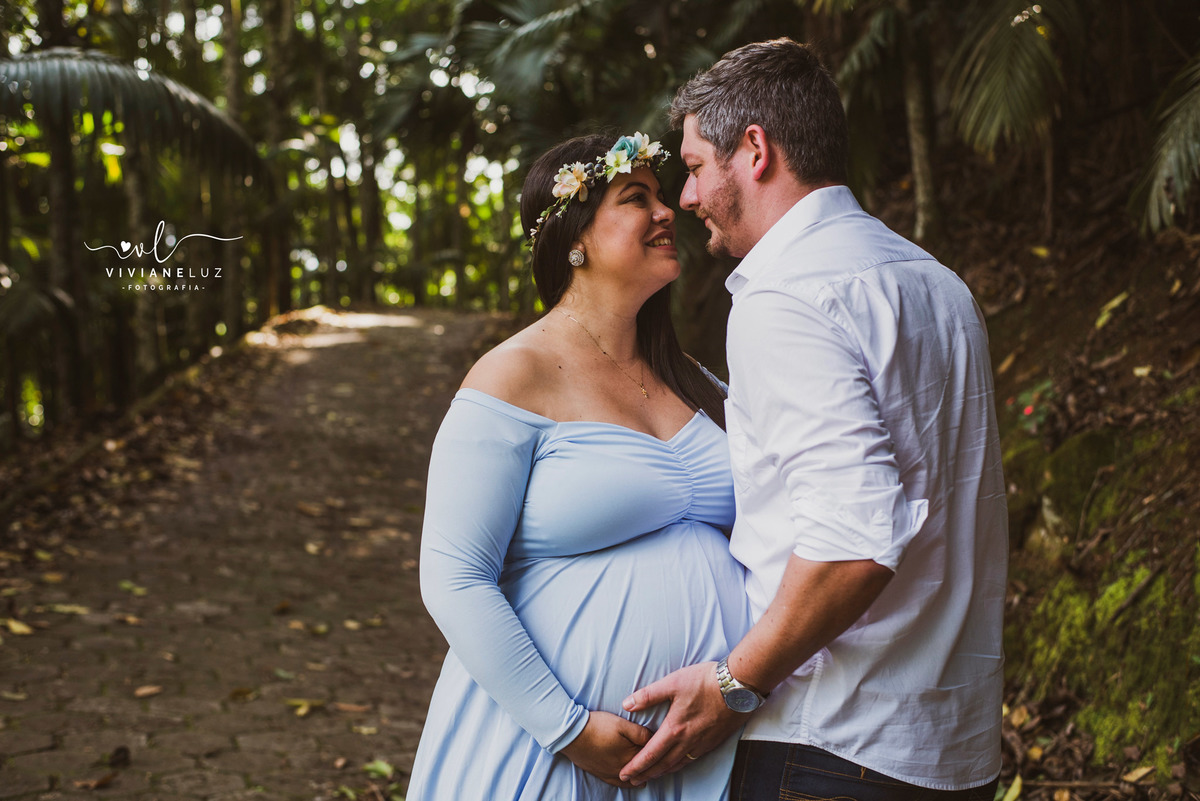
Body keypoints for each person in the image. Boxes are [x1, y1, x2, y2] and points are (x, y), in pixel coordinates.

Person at [618, 39, 1008, 800]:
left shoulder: (784, 297)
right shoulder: (937, 284)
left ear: (754, 150)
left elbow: (853, 541)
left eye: (695, 166)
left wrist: (735, 682)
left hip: (833, 746)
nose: (687, 197)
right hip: (955, 754)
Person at [405, 132, 751, 800]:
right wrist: (566, 728)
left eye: (662, 196)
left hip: (700, 754)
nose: (666, 211)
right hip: (549, 752)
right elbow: (454, 576)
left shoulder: (698, 382)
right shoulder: (513, 374)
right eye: (635, 197)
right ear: (575, 239)